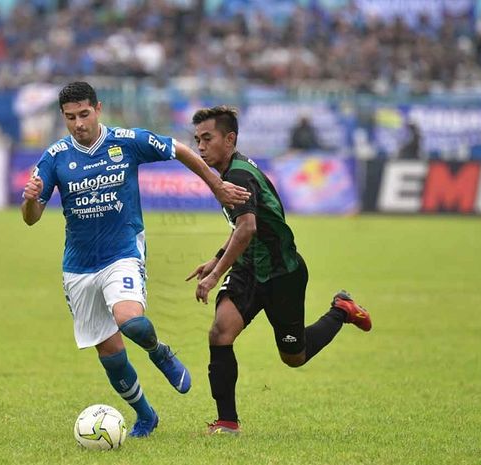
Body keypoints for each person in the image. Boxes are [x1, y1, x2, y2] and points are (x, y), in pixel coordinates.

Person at [21, 82, 250, 438]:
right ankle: (146, 415)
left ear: (98, 109)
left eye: (84, 114)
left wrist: (216, 185)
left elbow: (179, 149)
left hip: (122, 252)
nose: (79, 123)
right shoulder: (54, 157)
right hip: (78, 266)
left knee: (129, 320)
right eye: (70, 117)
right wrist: (31, 199)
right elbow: (31, 217)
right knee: (110, 353)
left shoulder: (126, 141)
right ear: (63, 118)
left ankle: (160, 352)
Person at [186, 106, 372, 435]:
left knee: (294, 356)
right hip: (248, 269)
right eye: (197, 140)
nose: (200, 147)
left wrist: (215, 276)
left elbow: (247, 229)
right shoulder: (230, 172)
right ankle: (227, 422)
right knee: (220, 332)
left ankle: (341, 310)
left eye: (207, 139)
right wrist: (217, 259)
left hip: (281, 273)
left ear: (229, 139)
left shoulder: (239, 176)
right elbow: (243, 226)